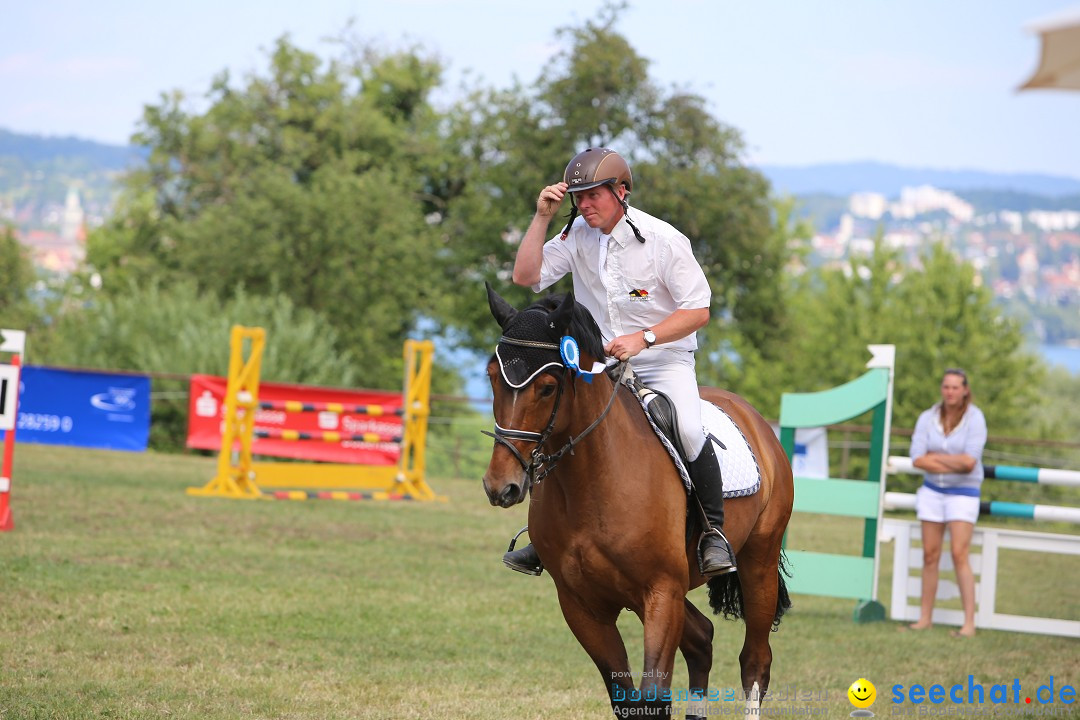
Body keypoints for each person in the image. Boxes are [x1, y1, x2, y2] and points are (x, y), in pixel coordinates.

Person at [501, 147, 736, 578]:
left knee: (685, 426)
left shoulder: (664, 240)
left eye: (594, 195)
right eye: (579, 198)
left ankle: (712, 533)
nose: (585, 205)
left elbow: (698, 309)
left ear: (621, 191)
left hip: (664, 361)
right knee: (558, 425)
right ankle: (545, 535)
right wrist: (542, 217)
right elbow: (525, 277)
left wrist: (644, 338)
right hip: (599, 367)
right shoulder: (574, 237)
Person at [907, 368, 987, 638]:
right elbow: (917, 458)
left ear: (965, 390)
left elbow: (969, 462)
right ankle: (924, 618)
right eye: (946, 387)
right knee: (930, 555)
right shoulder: (927, 418)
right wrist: (952, 461)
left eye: (955, 387)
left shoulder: (975, 419)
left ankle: (969, 623)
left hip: (963, 493)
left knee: (959, 554)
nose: (950, 392)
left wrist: (936, 459)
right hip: (932, 492)